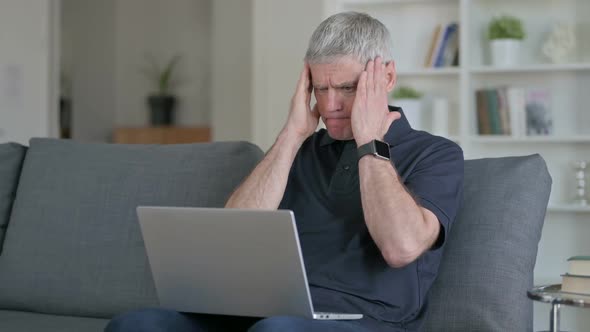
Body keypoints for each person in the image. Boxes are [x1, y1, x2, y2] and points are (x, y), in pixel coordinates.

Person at [106, 11, 463, 332]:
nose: (330, 105)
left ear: (386, 77)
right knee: (138, 324)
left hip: (365, 323)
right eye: (320, 89)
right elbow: (233, 235)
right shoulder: (301, 151)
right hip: (268, 315)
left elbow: (401, 247)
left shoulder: (436, 154)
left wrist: (370, 140)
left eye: (347, 88)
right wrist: (291, 136)